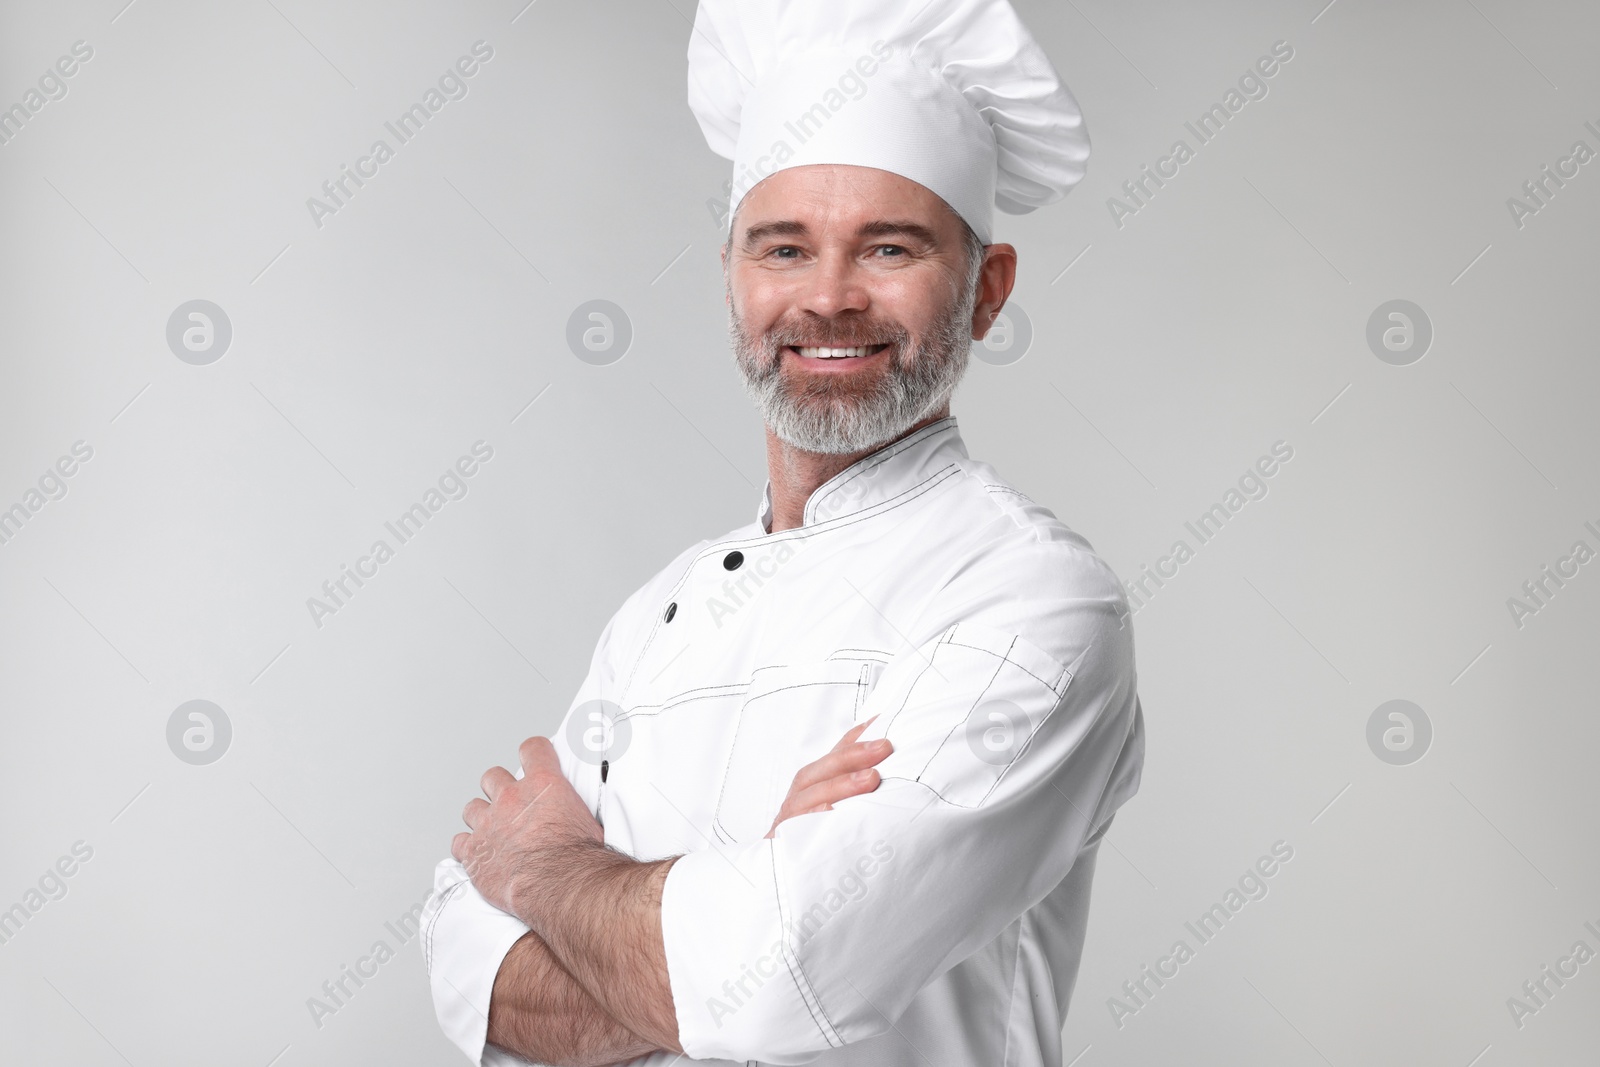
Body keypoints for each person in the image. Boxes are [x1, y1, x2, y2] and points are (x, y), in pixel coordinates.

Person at [422, 0, 1145, 1063]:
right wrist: (739, 887)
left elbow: (774, 977)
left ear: (987, 292)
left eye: (889, 246)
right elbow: (467, 972)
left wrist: (544, 869)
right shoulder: (659, 617)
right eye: (783, 247)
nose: (828, 297)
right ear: (733, 278)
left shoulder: (1034, 602)